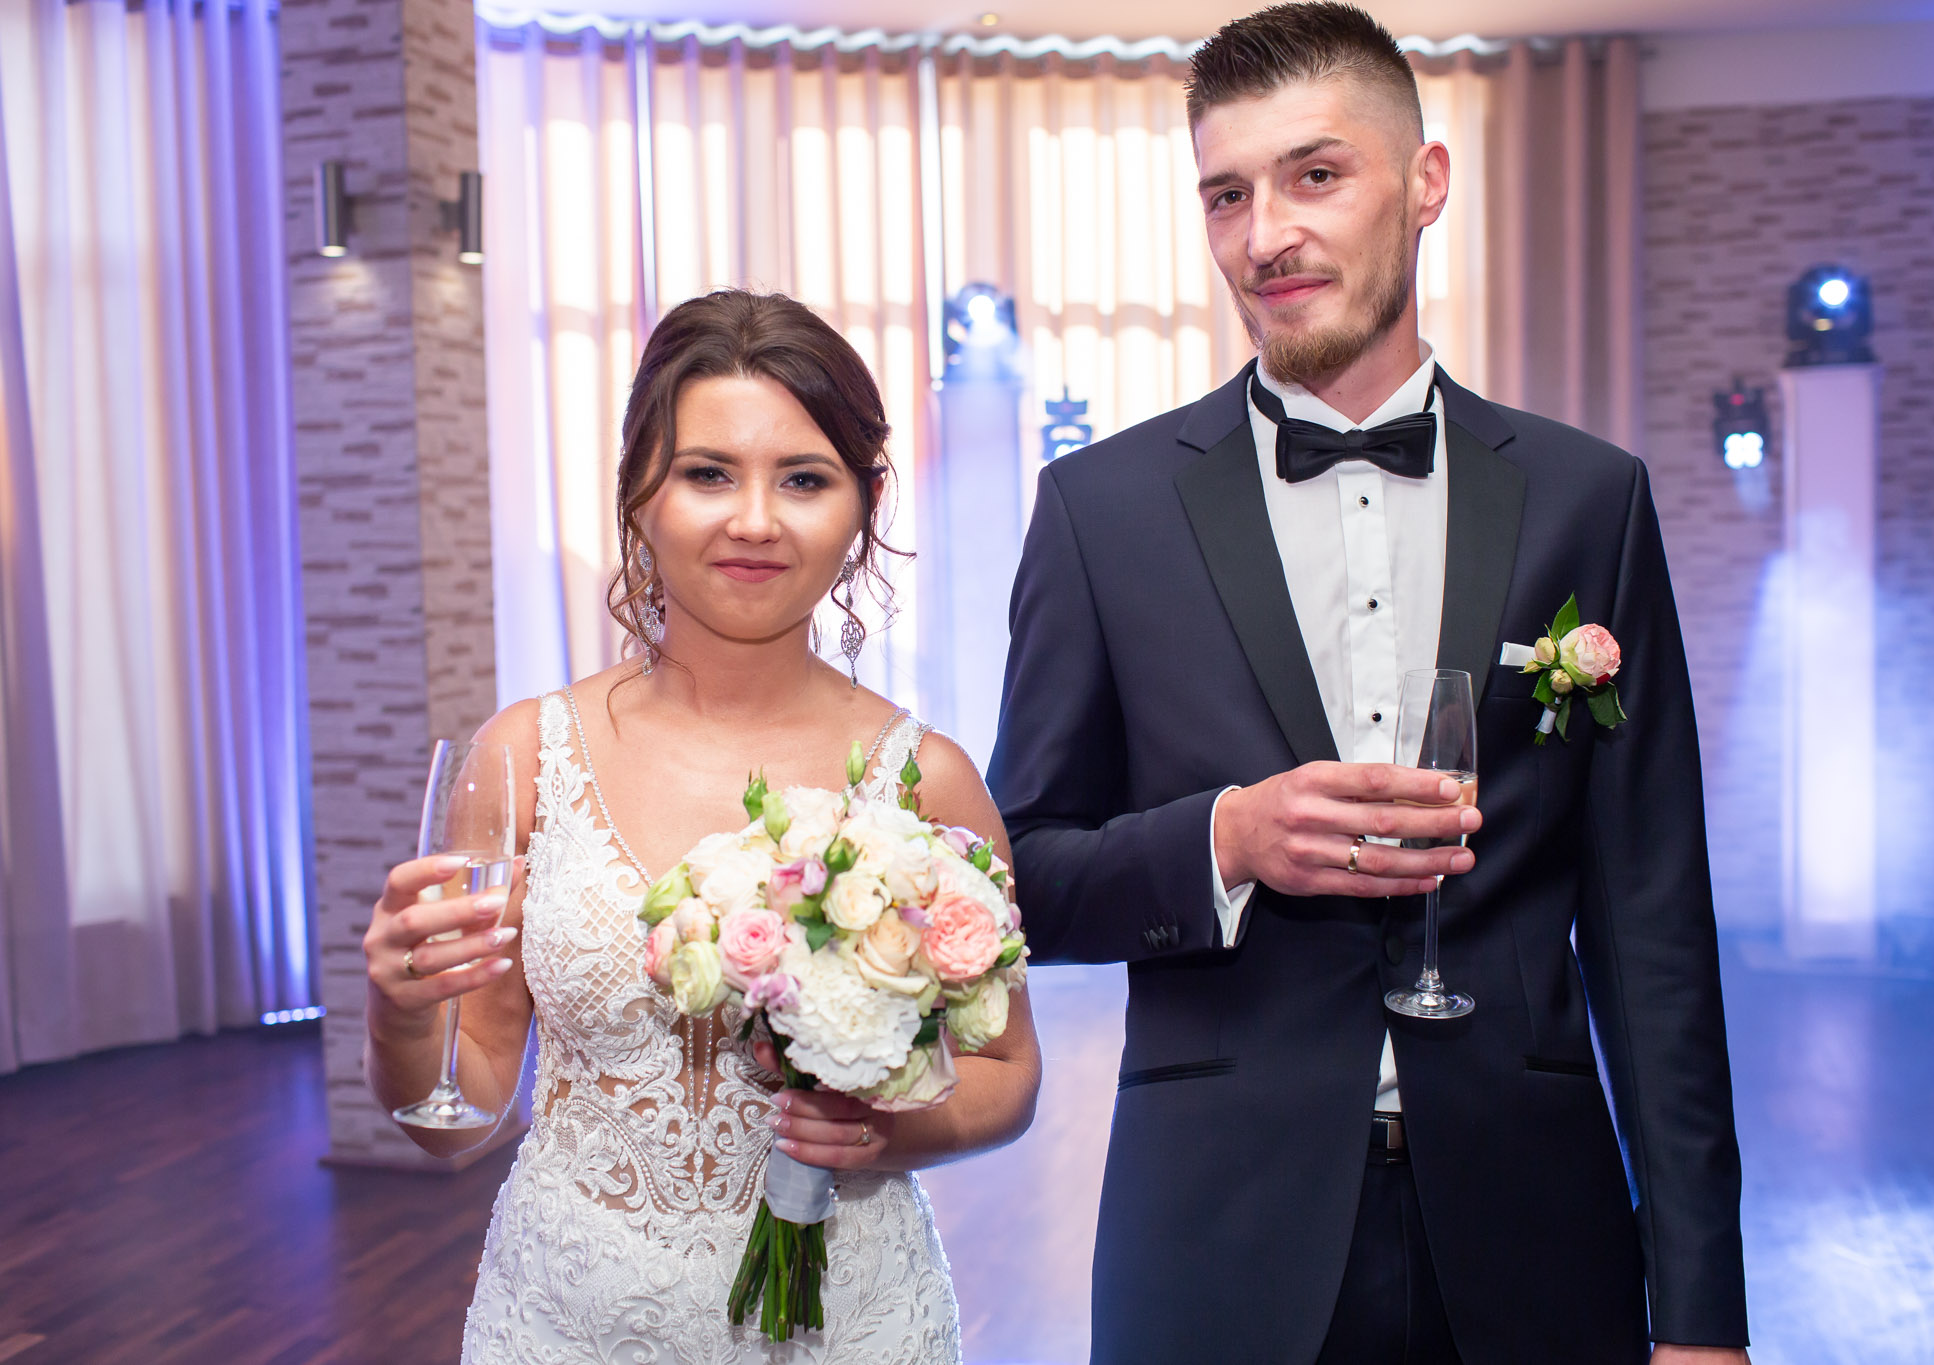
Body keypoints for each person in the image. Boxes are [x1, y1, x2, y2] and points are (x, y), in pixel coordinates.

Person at [987, 6, 1748, 1363]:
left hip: (1535, 1231)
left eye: (1315, 175)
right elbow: (1020, 881)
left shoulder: (1588, 501)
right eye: (1227, 195)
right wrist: (1226, 840)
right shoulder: (1100, 512)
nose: (1264, 235)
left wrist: (1701, 1308)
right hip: (1216, 1239)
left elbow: (1654, 930)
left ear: (1425, 182)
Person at [362, 289, 1041, 1364]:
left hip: (847, 1320)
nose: (755, 520)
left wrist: (882, 1131)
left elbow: (1005, 1069)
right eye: (708, 473)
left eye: (804, 478)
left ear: (863, 504)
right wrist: (401, 1017)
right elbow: (459, 1115)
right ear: (639, 491)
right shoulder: (525, 756)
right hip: (567, 1322)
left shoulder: (926, 780)